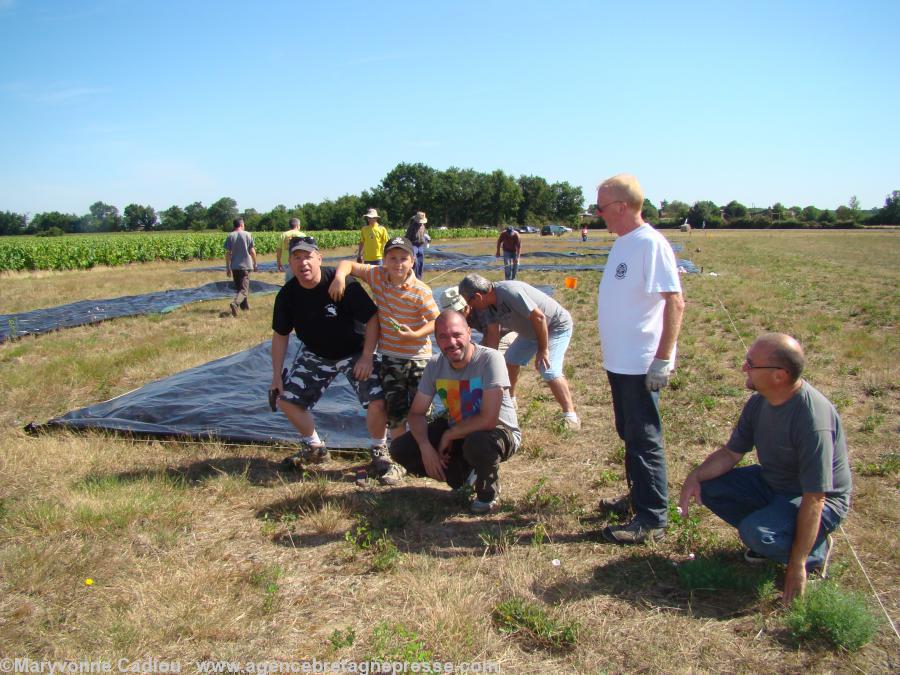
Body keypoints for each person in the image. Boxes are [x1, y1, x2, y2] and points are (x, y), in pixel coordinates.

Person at [679, 333, 851, 603]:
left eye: (751, 364)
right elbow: (730, 453)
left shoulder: (812, 419)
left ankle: (812, 552)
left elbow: (816, 496)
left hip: (817, 500)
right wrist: (695, 476)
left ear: (779, 375)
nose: (743, 368)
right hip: (773, 484)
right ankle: (779, 536)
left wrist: (796, 566)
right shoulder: (759, 402)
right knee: (710, 487)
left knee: (756, 533)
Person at [595, 173, 685, 544]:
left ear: (621, 206)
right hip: (619, 361)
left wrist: (663, 358)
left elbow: (675, 301)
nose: (598, 215)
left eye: (601, 207)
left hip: (640, 363)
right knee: (629, 433)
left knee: (644, 437)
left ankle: (652, 519)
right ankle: (638, 496)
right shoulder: (623, 243)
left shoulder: (650, 244)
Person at [270, 236, 388, 469]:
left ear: (319, 259)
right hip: (317, 353)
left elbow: (373, 318)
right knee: (286, 399)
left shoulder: (341, 282)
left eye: (308, 257)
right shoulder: (287, 295)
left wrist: (367, 356)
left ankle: (379, 450)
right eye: (296, 258)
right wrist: (276, 376)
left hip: (355, 351)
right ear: (290, 263)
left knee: (378, 400)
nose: (303, 263)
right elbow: (280, 335)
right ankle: (315, 448)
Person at [329, 236, 440, 485]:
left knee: (422, 410)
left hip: (419, 358)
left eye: (403, 258)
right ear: (384, 260)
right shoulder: (377, 276)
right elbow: (348, 263)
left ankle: (428, 453)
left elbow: (436, 321)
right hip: (391, 357)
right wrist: (339, 278)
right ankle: (401, 461)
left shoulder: (421, 291)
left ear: (412, 261)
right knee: (396, 411)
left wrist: (416, 334)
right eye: (392, 258)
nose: (397, 263)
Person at [389, 310, 520, 514]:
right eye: (443, 337)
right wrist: (426, 448)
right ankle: (462, 478)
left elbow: (488, 420)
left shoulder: (490, 359)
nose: (451, 342)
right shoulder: (434, 365)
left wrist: (448, 435)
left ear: (469, 332)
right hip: (458, 431)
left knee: (479, 443)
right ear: (436, 339)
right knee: (400, 448)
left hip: (497, 432)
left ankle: (487, 493)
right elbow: (416, 414)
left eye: (457, 334)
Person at [457, 274, 579, 429]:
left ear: (478, 296)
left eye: (469, 301)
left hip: (554, 326)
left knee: (548, 369)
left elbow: (539, 318)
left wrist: (543, 349)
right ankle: (510, 402)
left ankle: (571, 416)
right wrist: (489, 363)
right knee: (510, 361)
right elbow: (493, 334)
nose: (470, 307)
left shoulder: (509, 292)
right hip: (531, 332)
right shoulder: (486, 307)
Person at [223, 217, 258, 317]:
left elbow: (228, 253)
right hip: (245, 266)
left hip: (235, 266)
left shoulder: (230, 236)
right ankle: (235, 304)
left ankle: (245, 308)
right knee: (244, 290)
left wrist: (228, 267)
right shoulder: (248, 234)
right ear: (242, 225)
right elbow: (252, 251)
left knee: (240, 288)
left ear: (234, 226)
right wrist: (255, 263)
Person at [277, 217, 306, 282]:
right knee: (299, 279)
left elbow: (279, 249)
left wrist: (278, 262)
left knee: (289, 280)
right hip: (299, 260)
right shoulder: (302, 235)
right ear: (298, 226)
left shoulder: (284, 235)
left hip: (286, 261)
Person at [404, 211, 429, 278]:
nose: (421, 223)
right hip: (413, 245)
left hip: (420, 246)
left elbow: (423, 235)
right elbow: (407, 237)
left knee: (421, 263)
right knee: (415, 263)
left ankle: (419, 278)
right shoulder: (411, 227)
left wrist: (426, 241)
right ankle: (412, 277)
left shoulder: (423, 226)